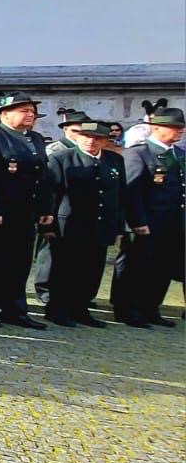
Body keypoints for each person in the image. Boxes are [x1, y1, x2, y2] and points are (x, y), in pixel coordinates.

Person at [0, 91, 51, 329]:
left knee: (19, 264)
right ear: (4, 114)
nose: (30, 115)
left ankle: (14, 310)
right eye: (24, 110)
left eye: (32, 111)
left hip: (25, 213)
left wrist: (45, 207)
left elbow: (43, 176)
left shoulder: (34, 139)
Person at [41, 120, 128, 327]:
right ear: (78, 137)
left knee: (92, 269)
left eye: (97, 138)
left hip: (100, 224)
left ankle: (80, 308)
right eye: (86, 137)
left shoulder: (114, 160)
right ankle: (57, 309)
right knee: (64, 268)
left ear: (106, 141)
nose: (91, 141)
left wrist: (118, 225)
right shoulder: (62, 158)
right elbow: (51, 193)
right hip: (70, 225)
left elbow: (120, 194)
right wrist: (48, 225)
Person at [111, 101, 184, 328]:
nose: (180, 131)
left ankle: (150, 307)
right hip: (146, 222)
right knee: (136, 266)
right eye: (174, 127)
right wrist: (136, 221)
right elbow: (131, 191)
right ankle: (126, 309)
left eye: (181, 127)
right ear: (156, 127)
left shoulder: (179, 155)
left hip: (173, 223)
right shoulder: (139, 153)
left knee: (162, 267)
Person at [33, 108, 95, 303]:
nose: (80, 135)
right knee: (49, 252)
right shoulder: (56, 150)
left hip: (78, 210)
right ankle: (45, 289)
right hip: (56, 207)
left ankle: (72, 291)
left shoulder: (89, 150)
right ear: (65, 129)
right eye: (76, 131)